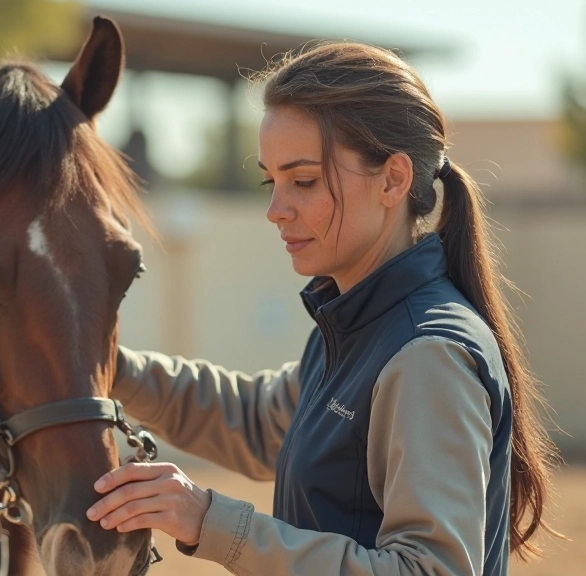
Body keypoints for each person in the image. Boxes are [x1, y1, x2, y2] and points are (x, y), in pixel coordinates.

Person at [85, 42, 559, 576]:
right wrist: (103, 363)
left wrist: (209, 521)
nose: (275, 210)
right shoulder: (352, 325)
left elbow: (429, 570)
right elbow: (256, 421)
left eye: (303, 181)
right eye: (272, 180)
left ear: (393, 179)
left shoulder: (428, 355)